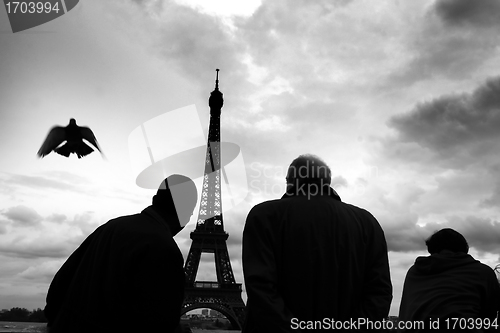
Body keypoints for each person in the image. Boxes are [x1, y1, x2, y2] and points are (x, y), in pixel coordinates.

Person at [242, 154, 392, 332]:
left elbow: (260, 290)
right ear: (327, 181)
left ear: (290, 181)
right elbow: (379, 293)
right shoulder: (368, 222)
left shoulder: (264, 216)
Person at [44, 174, 198, 333]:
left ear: (154, 200)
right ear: (185, 211)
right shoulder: (163, 247)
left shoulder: (109, 227)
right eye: (190, 213)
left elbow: (59, 286)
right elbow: (160, 322)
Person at [398, 228, 500, 332]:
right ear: (464, 249)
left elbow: (405, 313)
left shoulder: (415, 271)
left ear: (431, 249)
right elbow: (489, 316)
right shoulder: (483, 272)